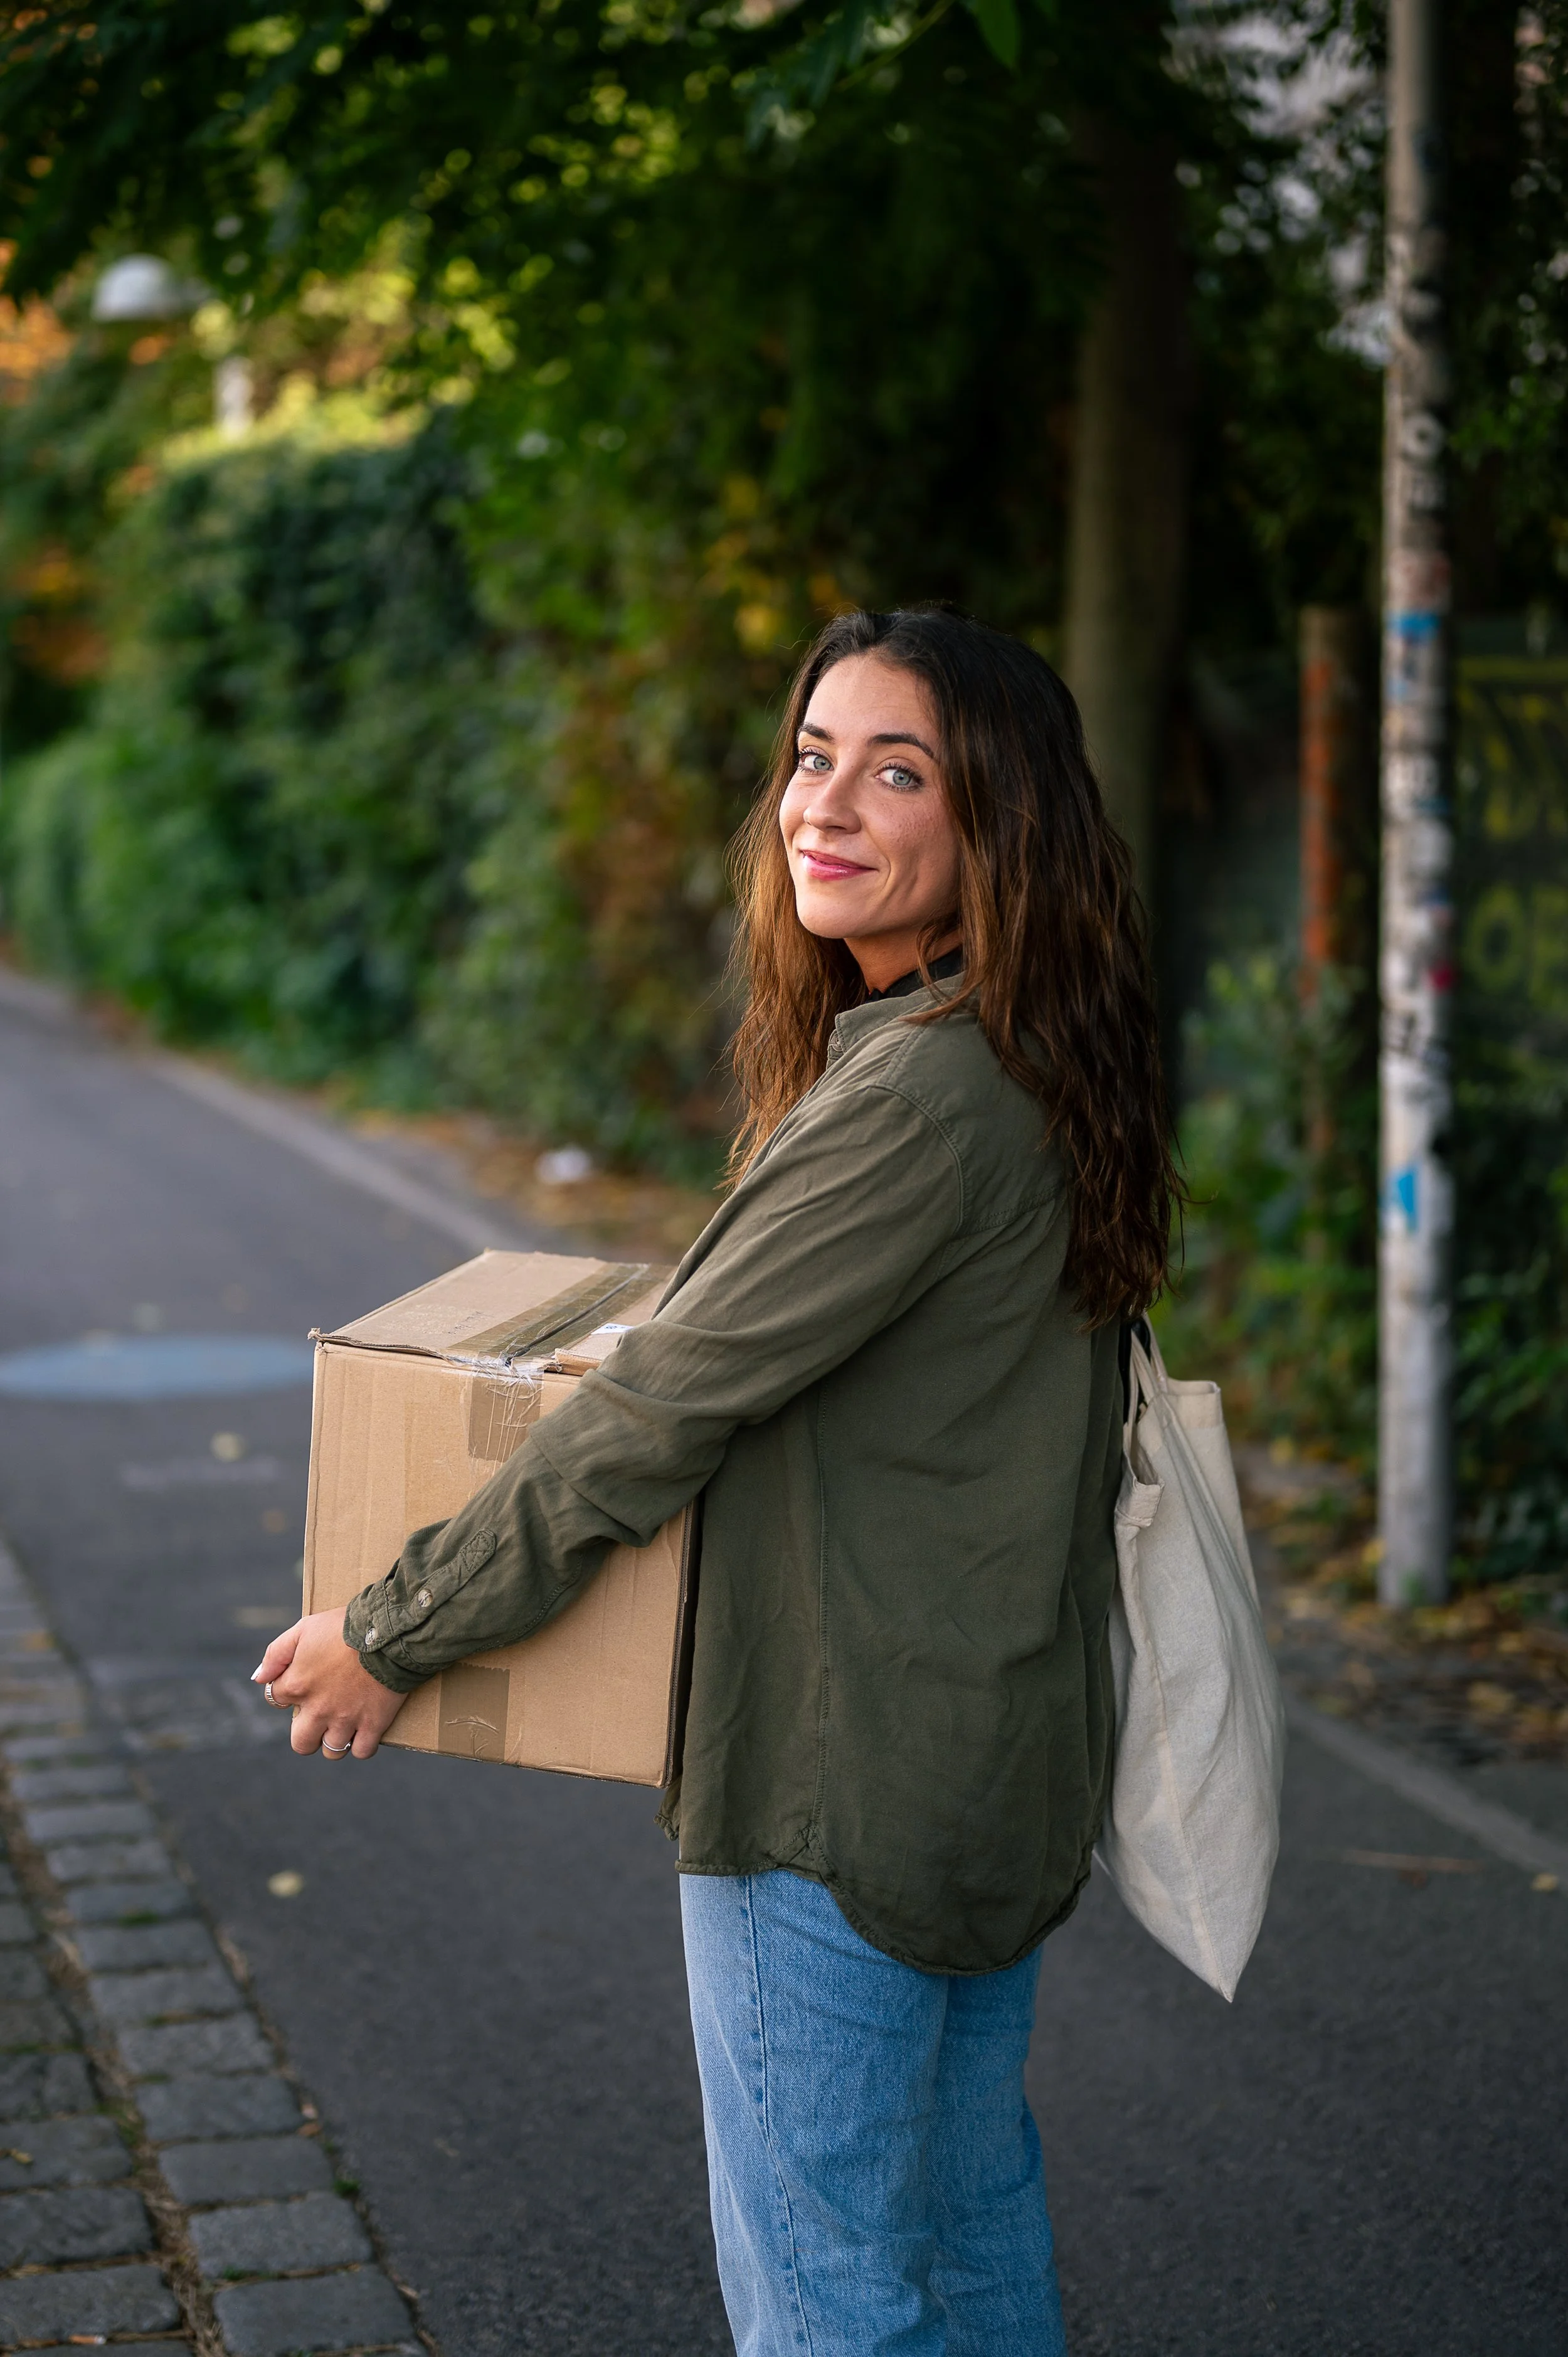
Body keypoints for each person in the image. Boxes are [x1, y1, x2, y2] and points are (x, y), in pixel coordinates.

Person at [256, 606, 1178, 2356]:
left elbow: (650, 1414)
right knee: (965, 2240)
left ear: (997, 824)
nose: (820, 803)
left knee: (826, 2296)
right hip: (986, 1753)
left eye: (894, 769)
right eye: (810, 755)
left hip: (838, 1779)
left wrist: (395, 1629)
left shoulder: (914, 1101)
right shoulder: (1034, 1054)